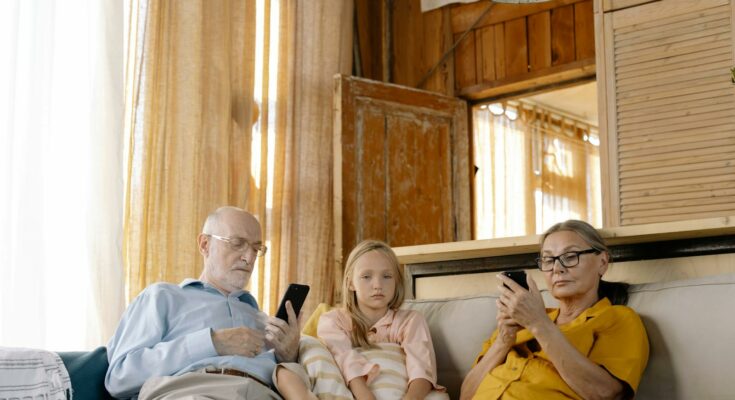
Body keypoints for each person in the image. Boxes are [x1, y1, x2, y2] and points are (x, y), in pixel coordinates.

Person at [105, 206, 300, 399]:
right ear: (205, 244)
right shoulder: (162, 297)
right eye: (237, 243)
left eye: (256, 249)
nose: (248, 258)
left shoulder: (263, 320)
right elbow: (120, 378)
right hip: (193, 392)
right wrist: (212, 342)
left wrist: (289, 356)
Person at [460, 219, 649, 400]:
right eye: (548, 260)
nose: (557, 269)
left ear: (602, 263)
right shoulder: (519, 320)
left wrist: (538, 324)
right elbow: (466, 395)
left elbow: (606, 394)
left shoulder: (618, 318)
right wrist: (503, 341)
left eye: (570, 256)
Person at [276, 240, 447, 400]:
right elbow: (343, 358)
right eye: (366, 277)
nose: (378, 285)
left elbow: (422, 368)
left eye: (387, 276)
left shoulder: (411, 320)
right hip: (350, 392)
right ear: (350, 283)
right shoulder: (332, 320)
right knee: (303, 349)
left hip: (399, 394)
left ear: (397, 281)